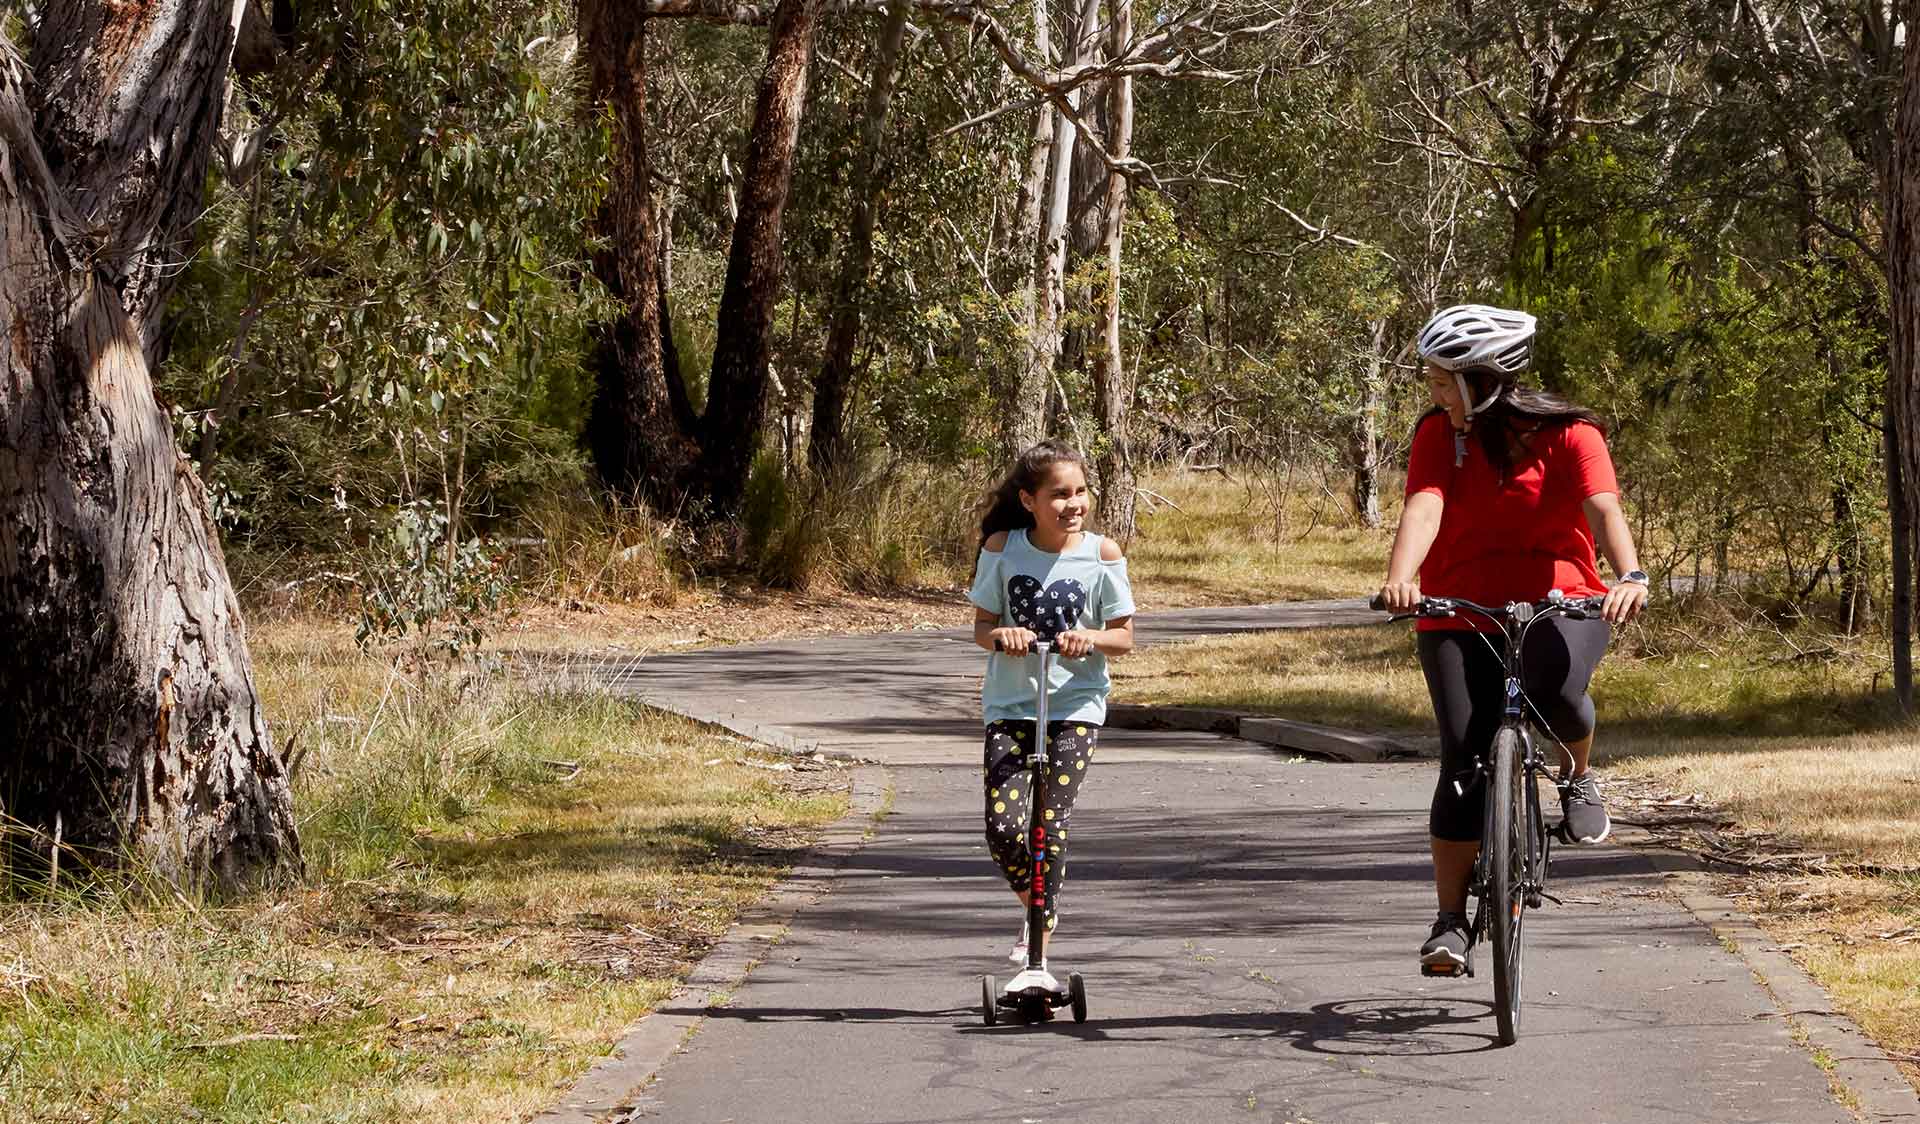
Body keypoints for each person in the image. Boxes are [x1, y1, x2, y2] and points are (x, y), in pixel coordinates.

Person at [1377, 304, 1649, 975]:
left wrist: (1631, 575)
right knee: (1462, 760)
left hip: (1562, 599)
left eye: (1445, 381)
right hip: (1457, 608)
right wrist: (1400, 578)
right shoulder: (1441, 434)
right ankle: (1449, 923)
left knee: (1556, 690)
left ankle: (1578, 777)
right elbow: (1425, 504)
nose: (1435, 393)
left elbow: (1603, 507)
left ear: (1483, 378)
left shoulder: (1571, 432)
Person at [968, 440, 1135, 991]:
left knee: (1050, 822)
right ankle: (1042, 908)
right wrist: (1005, 634)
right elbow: (981, 628)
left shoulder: (1102, 554)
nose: (1073, 503)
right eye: (1059, 494)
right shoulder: (1002, 546)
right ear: (1028, 500)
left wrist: (1090, 638)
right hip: (1012, 708)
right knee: (1004, 827)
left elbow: (1125, 637)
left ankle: (1037, 940)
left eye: (1080, 491)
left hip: (1074, 708)